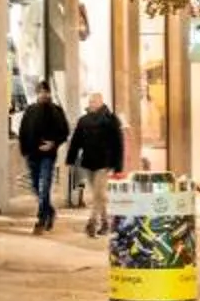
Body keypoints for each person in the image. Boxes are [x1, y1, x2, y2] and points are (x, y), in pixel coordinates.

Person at [66, 91, 125, 237]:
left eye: (93, 101)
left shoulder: (111, 120)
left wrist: (118, 166)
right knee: (99, 195)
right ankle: (105, 223)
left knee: (97, 195)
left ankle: (92, 223)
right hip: (88, 162)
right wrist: (70, 158)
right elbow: (76, 141)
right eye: (90, 101)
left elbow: (118, 144)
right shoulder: (83, 120)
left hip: (104, 163)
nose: (90, 104)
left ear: (101, 102)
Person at [17, 82, 71, 233]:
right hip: (32, 155)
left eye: (46, 92)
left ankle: (41, 218)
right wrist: (24, 150)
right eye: (41, 92)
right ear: (37, 94)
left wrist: (53, 144)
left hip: (48, 155)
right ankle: (50, 211)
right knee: (36, 187)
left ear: (49, 93)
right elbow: (23, 131)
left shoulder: (56, 111)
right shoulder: (30, 111)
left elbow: (64, 131)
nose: (43, 94)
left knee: (44, 186)